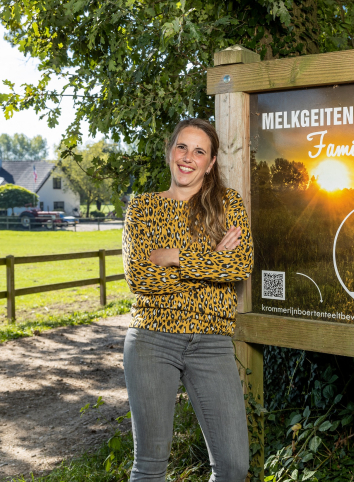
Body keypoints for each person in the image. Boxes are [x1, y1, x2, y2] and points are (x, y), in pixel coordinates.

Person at [121, 118, 253, 482]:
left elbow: (240, 265)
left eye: (199, 151)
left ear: (211, 163)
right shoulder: (143, 208)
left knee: (232, 467)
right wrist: (212, 262)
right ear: (170, 152)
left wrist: (176, 255)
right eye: (182, 147)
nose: (188, 157)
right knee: (149, 466)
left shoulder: (228, 205)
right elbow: (139, 278)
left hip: (212, 342)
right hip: (152, 337)